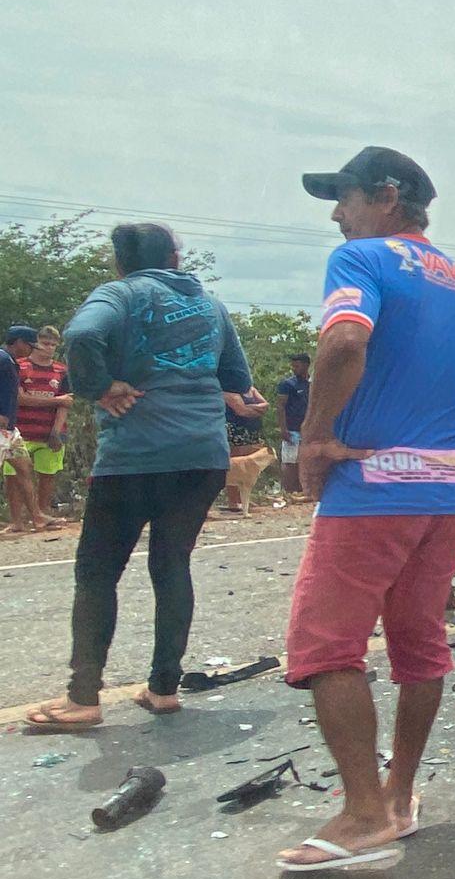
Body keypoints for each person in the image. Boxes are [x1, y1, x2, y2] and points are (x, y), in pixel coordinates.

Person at [277, 147, 455, 871]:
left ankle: (364, 814)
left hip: (372, 489)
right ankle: (400, 794)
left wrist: (314, 438)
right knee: (420, 643)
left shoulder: (364, 260)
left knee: (326, 646)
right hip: (443, 491)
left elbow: (343, 343)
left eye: (344, 198)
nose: (338, 214)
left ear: (388, 196)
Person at [24, 223, 253, 731]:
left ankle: (83, 699)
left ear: (118, 261)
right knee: (172, 565)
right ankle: (163, 690)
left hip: (136, 456)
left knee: (98, 572)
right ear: (174, 257)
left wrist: (98, 386)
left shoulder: (119, 294)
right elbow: (237, 378)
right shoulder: (211, 305)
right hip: (201, 457)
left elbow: (83, 334)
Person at [3, 325, 68, 533]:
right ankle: (19, 520)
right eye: (30, 345)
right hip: (4, 428)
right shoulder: (6, 361)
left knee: (23, 468)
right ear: (19, 343)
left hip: (12, 432)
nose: (32, 349)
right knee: (15, 473)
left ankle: (37, 516)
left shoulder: (10, 362)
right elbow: (17, 396)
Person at [220, 388, 274, 515]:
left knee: (249, 464)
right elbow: (241, 410)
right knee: (233, 466)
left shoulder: (251, 389)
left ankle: (245, 503)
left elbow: (265, 405)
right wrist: (256, 409)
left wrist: (250, 408)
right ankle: (233, 501)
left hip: (252, 429)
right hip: (235, 428)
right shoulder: (229, 389)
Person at [275, 352, 312, 496]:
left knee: (306, 460)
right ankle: (289, 491)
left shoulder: (312, 383)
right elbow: (280, 406)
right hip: (292, 428)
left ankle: (304, 490)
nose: (294, 369)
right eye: (293, 366)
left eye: (297, 366)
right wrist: (283, 428)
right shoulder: (287, 384)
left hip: (308, 429)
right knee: (290, 461)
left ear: (306, 365)